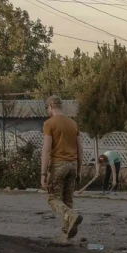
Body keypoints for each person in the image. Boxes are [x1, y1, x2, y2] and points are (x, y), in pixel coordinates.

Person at [40, 95, 83, 240]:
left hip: (58, 165)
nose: (48, 110)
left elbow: (46, 150)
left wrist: (43, 174)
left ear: (51, 106)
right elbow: (80, 150)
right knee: (68, 201)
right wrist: (78, 171)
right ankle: (65, 237)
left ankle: (71, 215)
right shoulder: (73, 123)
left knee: (53, 199)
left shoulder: (49, 123)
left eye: (47, 108)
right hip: (73, 165)